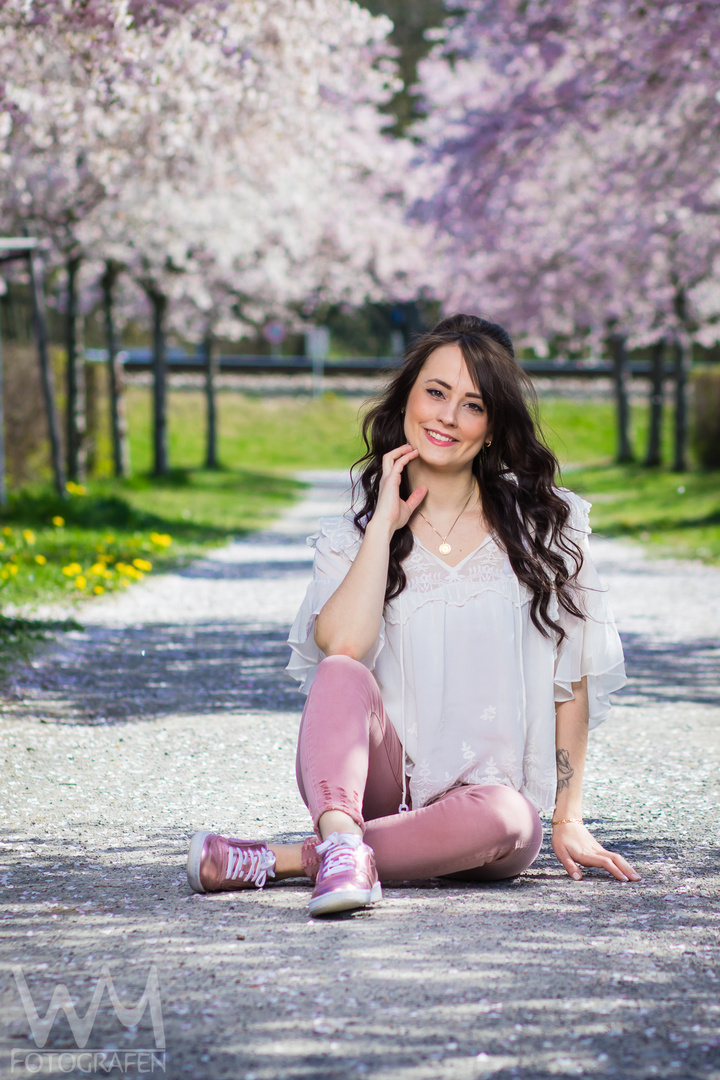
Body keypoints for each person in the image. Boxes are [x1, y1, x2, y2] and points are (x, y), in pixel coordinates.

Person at [186, 313, 640, 916]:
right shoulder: (349, 537)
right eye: (435, 392)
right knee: (343, 671)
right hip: (381, 791)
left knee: (507, 813)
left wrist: (569, 816)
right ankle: (345, 840)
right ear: (407, 398)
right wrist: (382, 526)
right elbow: (340, 647)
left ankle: (288, 859)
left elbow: (571, 682)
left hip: (491, 816)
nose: (447, 417)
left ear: (493, 424)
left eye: (472, 404)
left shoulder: (547, 529)